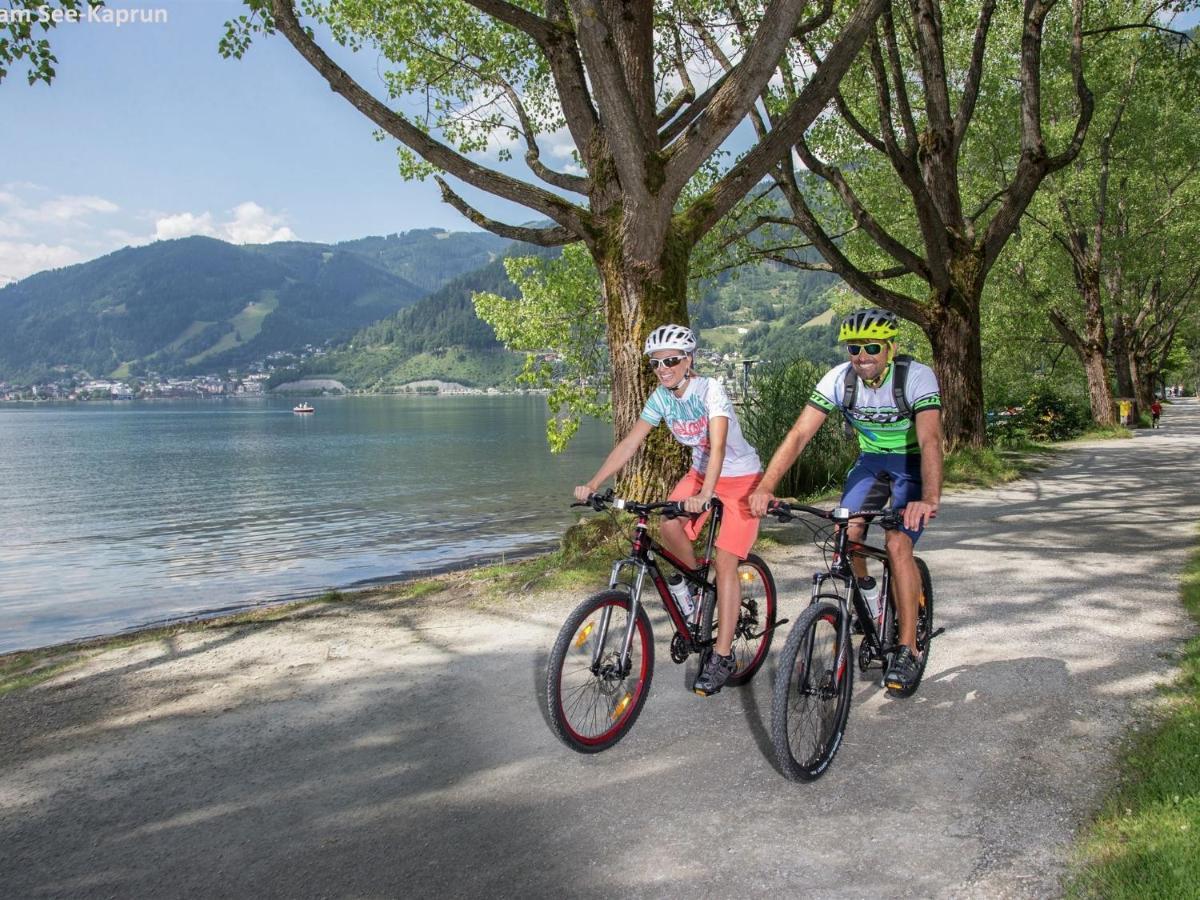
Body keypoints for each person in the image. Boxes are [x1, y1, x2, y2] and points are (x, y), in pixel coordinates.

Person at [749, 308, 943, 694]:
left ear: (890, 348)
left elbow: (930, 441)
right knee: (847, 530)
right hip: (871, 463)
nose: (862, 355)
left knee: (897, 543)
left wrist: (928, 497)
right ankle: (869, 594)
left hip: (911, 464)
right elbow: (800, 434)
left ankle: (907, 650)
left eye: (872, 347)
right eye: (855, 348)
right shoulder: (839, 379)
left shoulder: (916, 377)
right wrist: (765, 486)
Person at [574, 324, 763, 696]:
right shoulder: (661, 397)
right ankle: (695, 594)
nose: (663, 368)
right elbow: (631, 443)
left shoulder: (710, 390)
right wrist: (594, 484)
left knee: (726, 561)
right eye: (656, 362)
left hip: (740, 477)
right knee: (668, 526)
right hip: (699, 474)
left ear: (689, 360)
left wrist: (707, 493)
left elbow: (719, 447)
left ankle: (722, 656)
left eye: (671, 360)